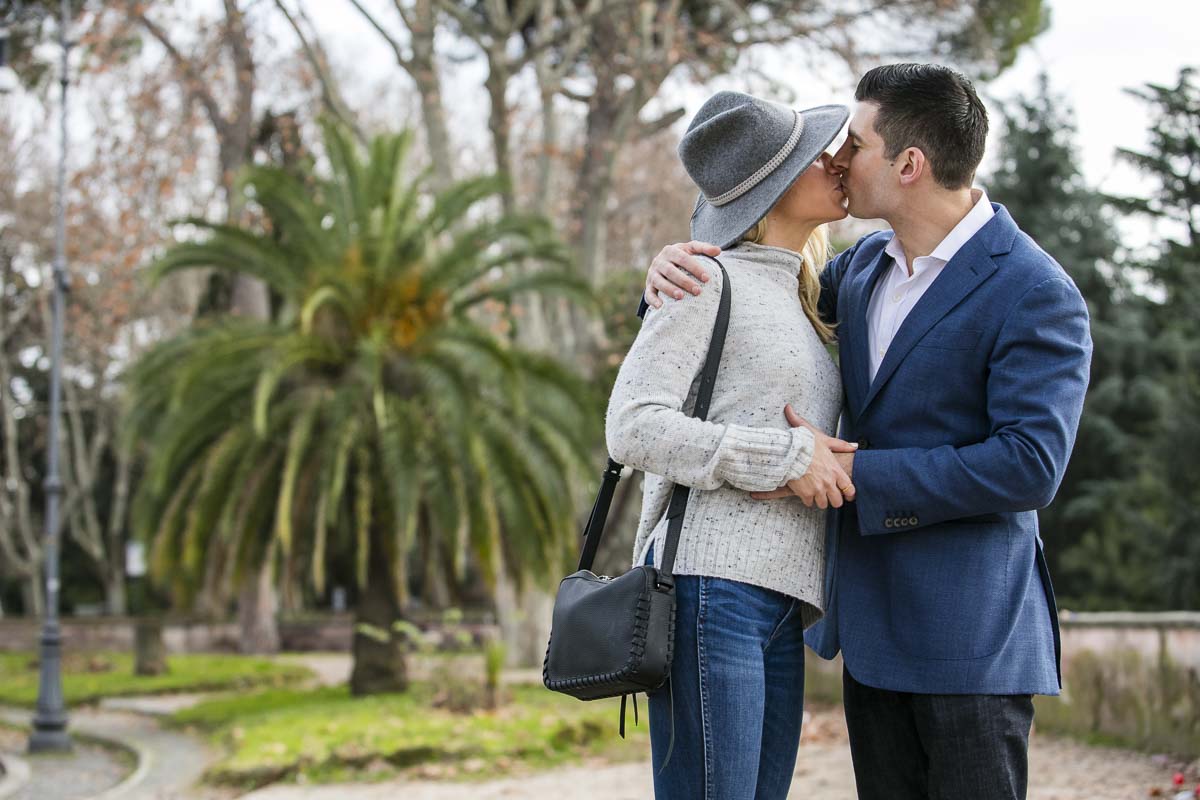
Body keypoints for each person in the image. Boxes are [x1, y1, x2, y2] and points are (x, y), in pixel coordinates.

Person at [641, 63, 1093, 800]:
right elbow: (745, 291)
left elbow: (1028, 464)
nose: (837, 159)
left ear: (909, 165)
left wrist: (853, 476)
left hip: (971, 644)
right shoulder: (857, 273)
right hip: (872, 641)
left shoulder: (1036, 292)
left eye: (854, 143)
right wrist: (666, 271)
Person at [605, 91, 856, 799]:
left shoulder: (808, 299)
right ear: (779, 182)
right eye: (820, 155)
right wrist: (781, 458)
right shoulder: (707, 279)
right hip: (711, 589)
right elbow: (631, 423)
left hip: (783, 602)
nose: (838, 163)